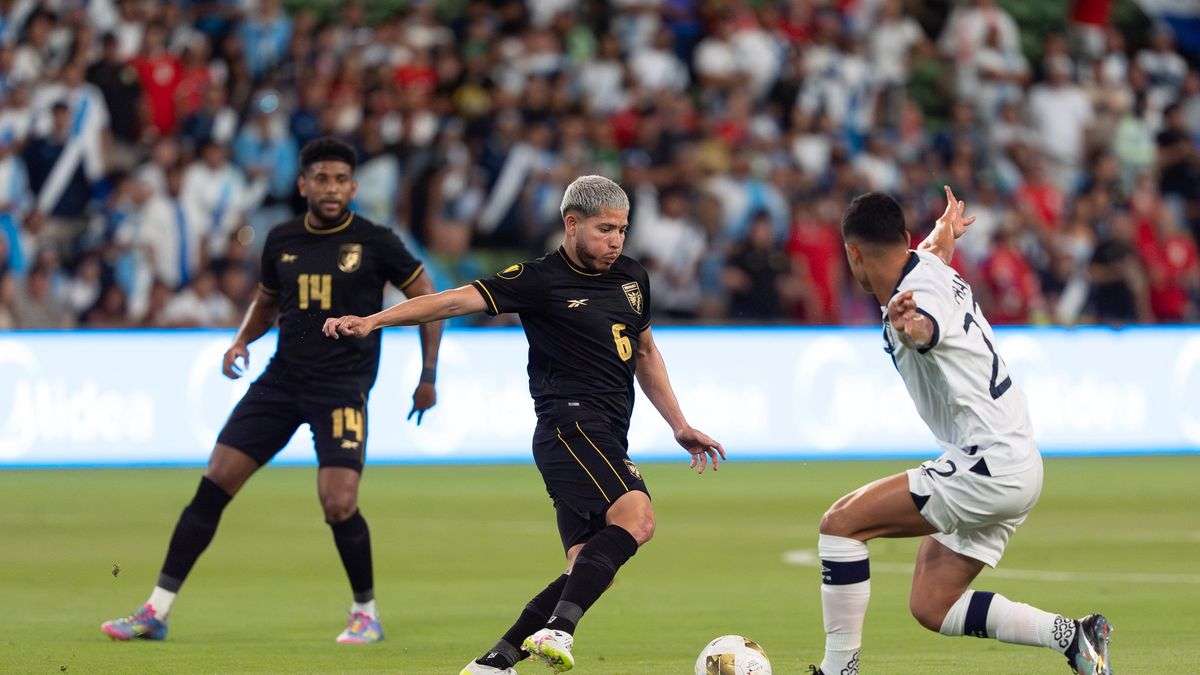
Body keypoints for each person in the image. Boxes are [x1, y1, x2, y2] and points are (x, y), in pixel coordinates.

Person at [322, 175, 725, 673]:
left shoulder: (632, 278)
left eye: (622, 229)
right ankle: (559, 631)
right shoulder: (539, 279)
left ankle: (496, 660)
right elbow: (450, 301)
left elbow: (644, 351)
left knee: (589, 569)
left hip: (604, 432)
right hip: (569, 426)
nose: (616, 240)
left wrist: (678, 423)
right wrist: (373, 321)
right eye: (604, 229)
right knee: (638, 518)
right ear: (571, 224)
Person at [100, 137, 443, 645]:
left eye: (340, 180)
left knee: (338, 502)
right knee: (214, 482)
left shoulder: (376, 241)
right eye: (321, 179)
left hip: (341, 388)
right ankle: (156, 610)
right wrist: (241, 341)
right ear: (303, 184)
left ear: (352, 186)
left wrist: (427, 375)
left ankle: (365, 613)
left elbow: (428, 300)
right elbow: (267, 303)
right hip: (281, 383)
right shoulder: (282, 238)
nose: (331, 188)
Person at [809, 188, 1111, 675]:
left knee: (841, 525)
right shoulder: (928, 266)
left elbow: (929, 327)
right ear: (904, 240)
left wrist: (915, 330)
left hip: (986, 466)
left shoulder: (918, 302)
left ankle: (839, 669)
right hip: (1019, 461)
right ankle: (1074, 635)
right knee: (933, 603)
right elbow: (933, 253)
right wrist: (944, 231)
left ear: (852, 253)